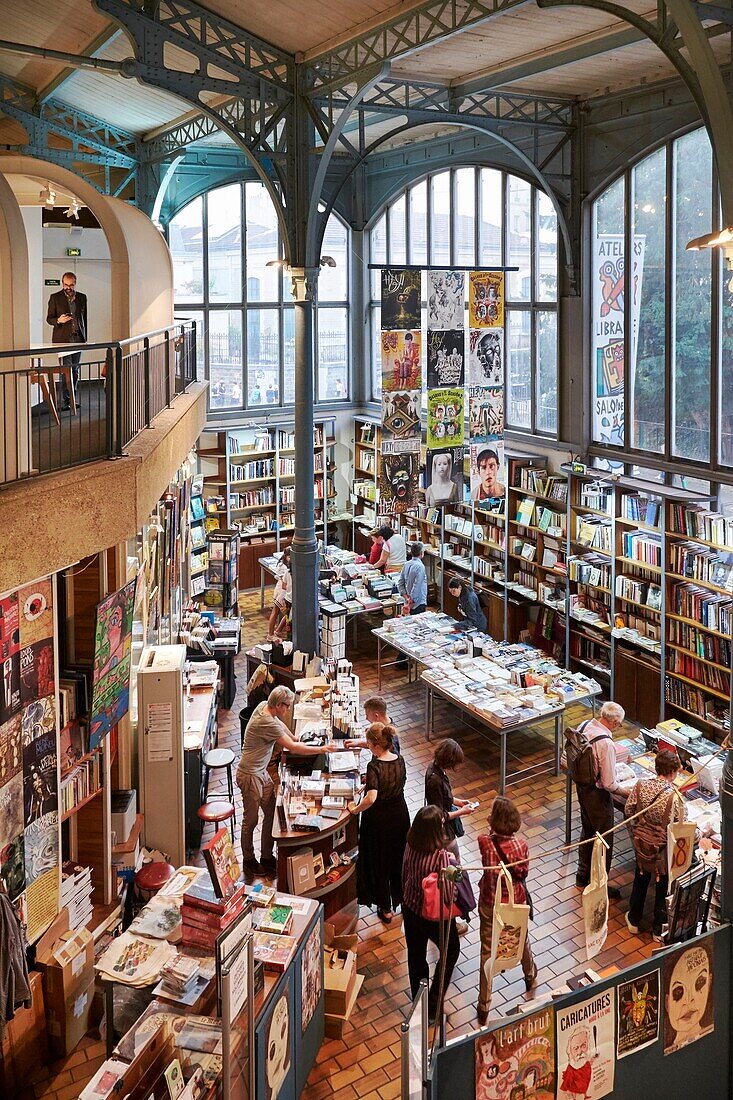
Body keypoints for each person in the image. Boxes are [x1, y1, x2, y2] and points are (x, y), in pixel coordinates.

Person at [236, 687, 336, 880]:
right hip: (250, 775)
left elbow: (280, 725)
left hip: (260, 772)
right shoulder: (265, 721)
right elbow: (293, 748)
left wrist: (295, 736)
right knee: (251, 820)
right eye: (287, 706)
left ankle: (266, 856)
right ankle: (248, 860)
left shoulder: (264, 706)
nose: (288, 709)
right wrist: (322, 748)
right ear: (279, 704)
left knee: (270, 813)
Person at [476, 796, 537, 1025]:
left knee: (486, 950)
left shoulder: (484, 841)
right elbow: (524, 873)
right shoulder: (522, 845)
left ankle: (484, 1003)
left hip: (490, 903)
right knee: (520, 940)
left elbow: (485, 834)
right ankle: (530, 976)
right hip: (515, 902)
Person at [401, 805, 461, 1023]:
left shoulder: (410, 845)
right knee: (451, 950)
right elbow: (450, 892)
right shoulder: (441, 856)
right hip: (434, 916)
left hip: (410, 909)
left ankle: (420, 1002)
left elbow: (404, 874)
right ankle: (435, 1000)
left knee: (416, 956)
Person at [348, 723, 409, 923]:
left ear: (375, 745)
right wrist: (368, 784)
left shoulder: (374, 765)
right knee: (397, 858)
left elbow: (372, 798)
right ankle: (400, 897)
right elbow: (392, 783)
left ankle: (385, 907)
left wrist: (355, 809)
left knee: (379, 861)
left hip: (379, 820)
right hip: (399, 815)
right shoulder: (399, 760)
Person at [625, 749, 686, 941]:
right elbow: (680, 827)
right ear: (674, 772)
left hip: (642, 845)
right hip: (662, 851)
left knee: (640, 878)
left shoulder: (640, 785)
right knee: (662, 886)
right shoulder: (674, 797)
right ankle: (658, 929)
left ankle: (634, 919)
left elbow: (628, 809)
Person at [574, 701, 626, 897]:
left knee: (587, 830)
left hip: (582, 788)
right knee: (604, 840)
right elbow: (609, 784)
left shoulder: (584, 725)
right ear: (613, 722)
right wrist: (626, 791)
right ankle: (600, 884)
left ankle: (582, 874)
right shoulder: (606, 743)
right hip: (598, 795)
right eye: (619, 724)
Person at [424, 738, 475, 859]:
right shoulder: (435, 780)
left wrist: (459, 802)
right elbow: (440, 816)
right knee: (454, 860)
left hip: (444, 826)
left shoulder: (435, 767)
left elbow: (444, 797)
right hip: (443, 831)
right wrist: (461, 812)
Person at [46, 271, 87, 411]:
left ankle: (72, 399)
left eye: (71, 285)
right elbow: (49, 318)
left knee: (75, 370)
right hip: (62, 340)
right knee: (66, 371)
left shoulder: (82, 297)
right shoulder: (55, 298)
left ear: (75, 283)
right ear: (62, 283)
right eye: (65, 284)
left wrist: (85, 338)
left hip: (78, 339)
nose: (68, 287)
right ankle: (65, 401)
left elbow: (84, 318)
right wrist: (59, 320)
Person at [397, 542, 428, 615]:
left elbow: (400, 583)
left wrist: (406, 598)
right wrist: (411, 600)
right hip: (418, 602)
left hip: (407, 601)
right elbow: (417, 586)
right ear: (421, 553)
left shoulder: (406, 564)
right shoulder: (420, 567)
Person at [267, 548, 291, 638]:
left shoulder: (283, 564)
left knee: (288, 612)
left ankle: (278, 630)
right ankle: (270, 634)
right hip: (282, 592)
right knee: (276, 612)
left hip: (281, 591)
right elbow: (284, 583)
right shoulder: (284, 568)